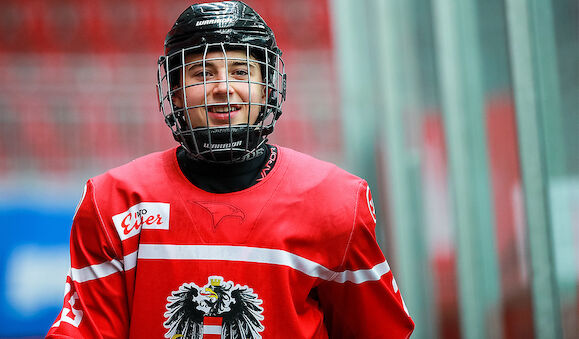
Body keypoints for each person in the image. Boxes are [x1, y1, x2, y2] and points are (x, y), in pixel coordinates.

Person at [46, 1, 414, 338]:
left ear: (268, 87)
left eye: (241, 70)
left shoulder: (334, 201)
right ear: (174, 93)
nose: (223, 87)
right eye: (201, 72)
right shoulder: (114, 201)